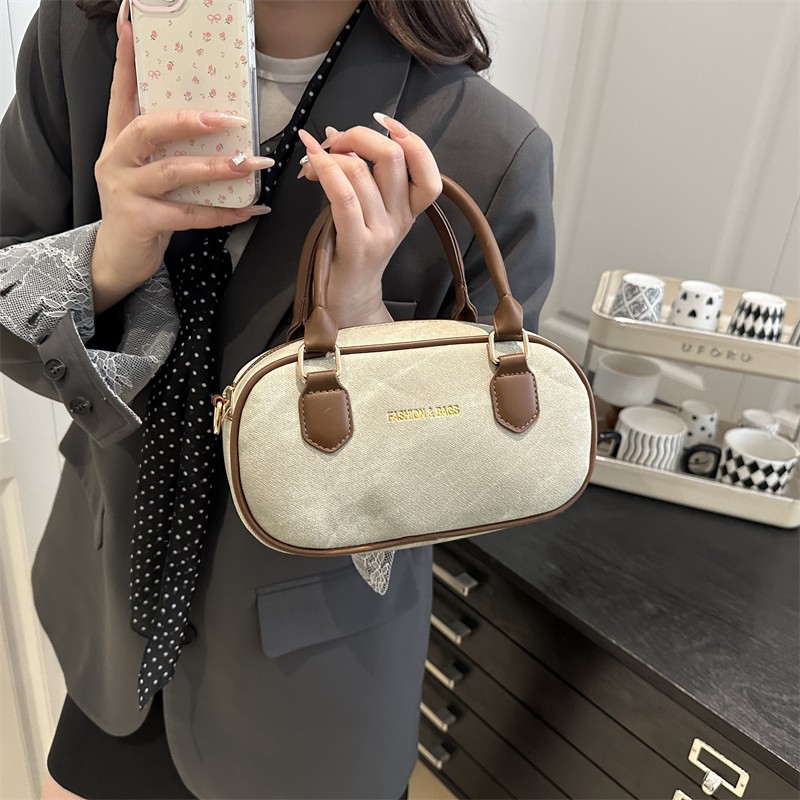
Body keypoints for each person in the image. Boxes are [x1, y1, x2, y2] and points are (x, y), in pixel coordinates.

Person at [0, 0, 555, 797]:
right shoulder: (87, 42)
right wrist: (108, 258)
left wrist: (360, 322)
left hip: (312, 702)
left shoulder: (487, 148)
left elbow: (473, 472)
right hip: (109, 627)